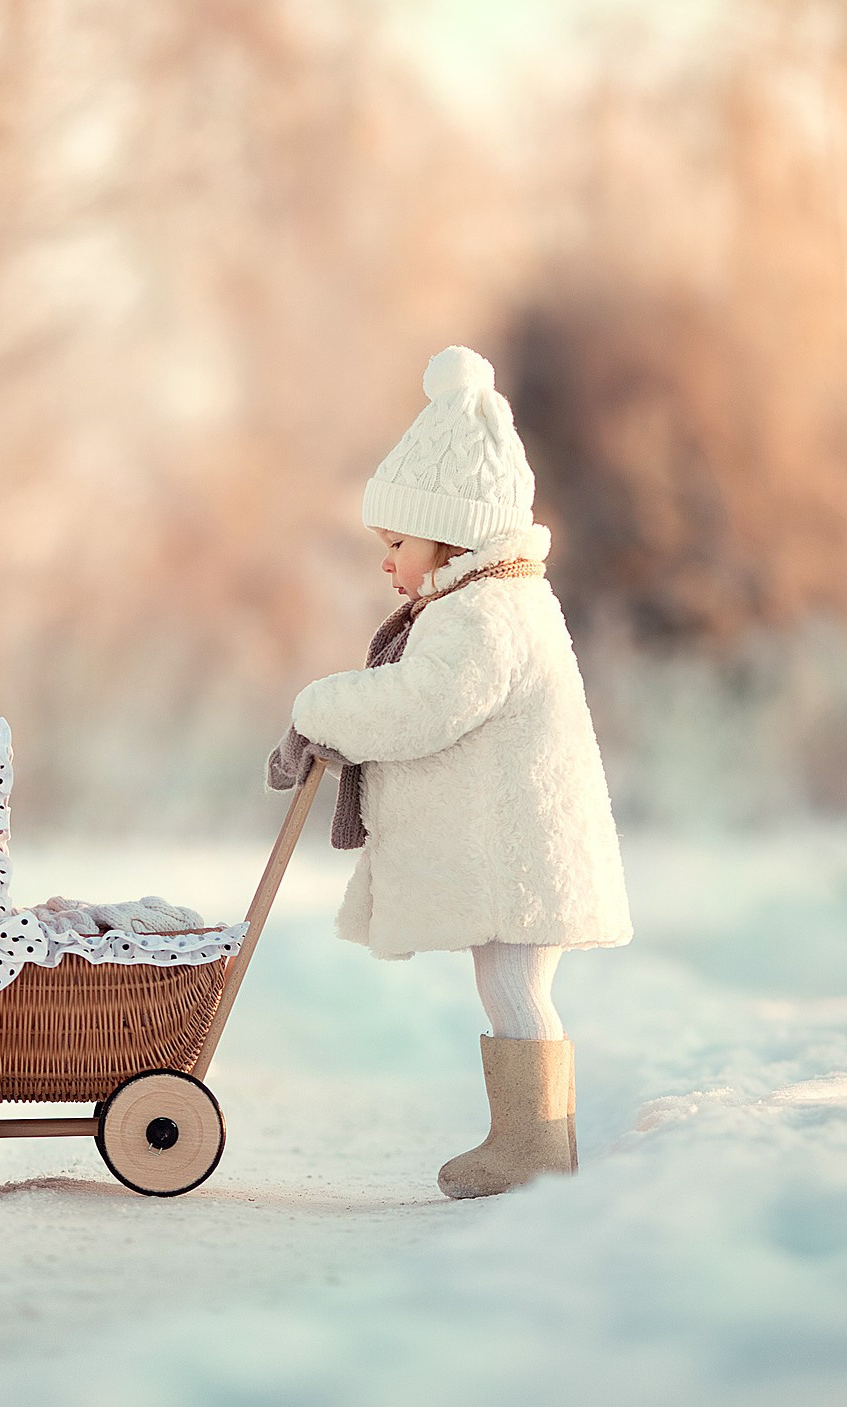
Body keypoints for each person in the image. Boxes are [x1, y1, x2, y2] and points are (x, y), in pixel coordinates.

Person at [267, 345, 633, 1199]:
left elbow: (420, 708)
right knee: (510, 989)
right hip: (519, 854)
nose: (387, 562)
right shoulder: (486, 603)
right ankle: (533, 1143)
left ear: (455, 531)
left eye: (397, 541)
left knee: (512, 988)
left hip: (519, 858)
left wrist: (321, 708)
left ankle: (534, 1150)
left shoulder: (484, 616)